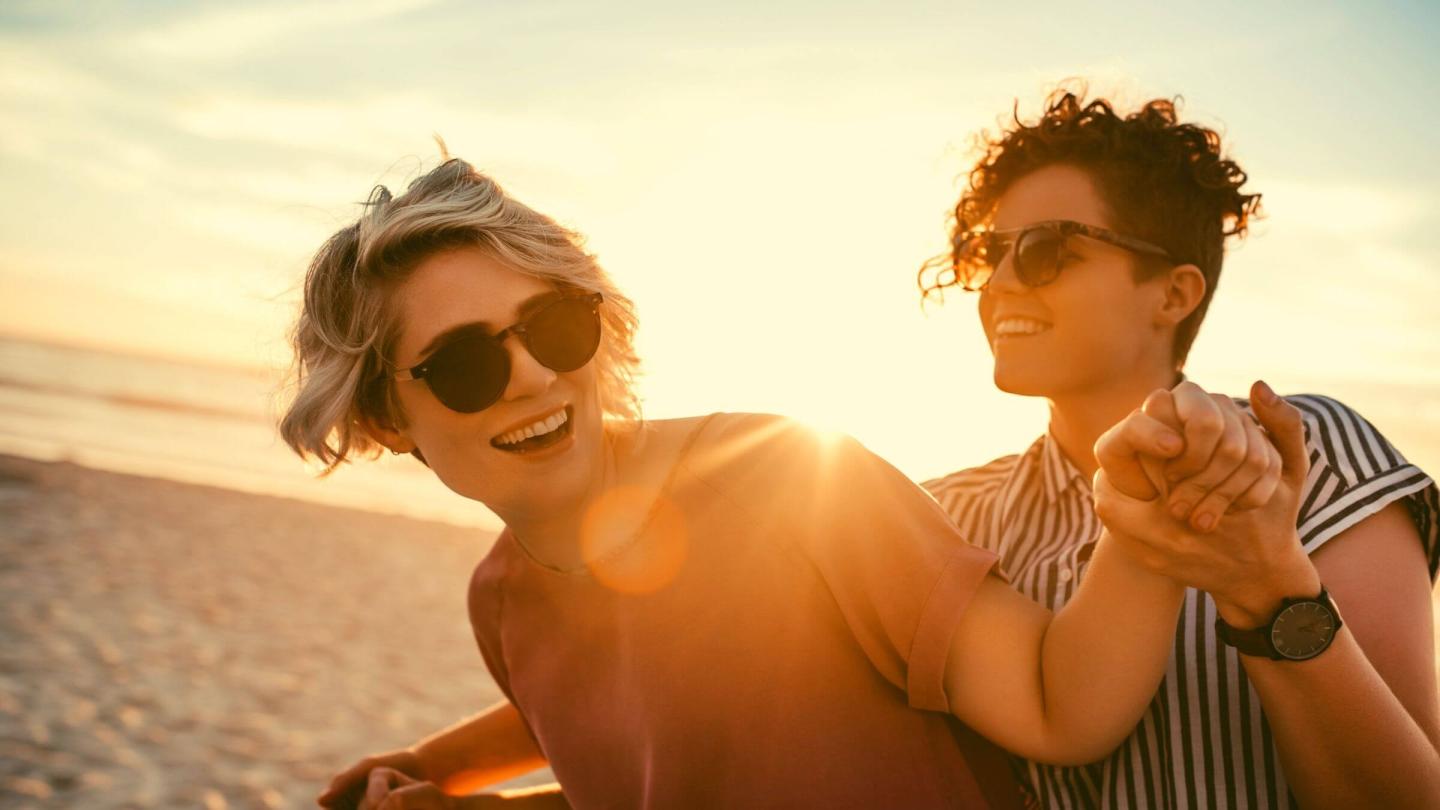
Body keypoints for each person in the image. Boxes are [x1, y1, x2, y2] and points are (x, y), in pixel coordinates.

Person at [285, 157, 1286, 809]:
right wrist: (445, 776)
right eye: (466, 364)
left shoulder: (788, 482)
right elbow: (659, 740)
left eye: (553, 326)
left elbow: (1056, 702)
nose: (534, 376)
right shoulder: (502, 602)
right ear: (384, 416)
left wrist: (1150, 506)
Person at [918, 88, 1440, 809]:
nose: (999, 284)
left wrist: (1267, 591)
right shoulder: (948, 518)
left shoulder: (1308, 452)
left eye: (1044, 250)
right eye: (988, 253)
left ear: (1173, 294)